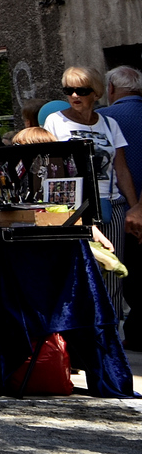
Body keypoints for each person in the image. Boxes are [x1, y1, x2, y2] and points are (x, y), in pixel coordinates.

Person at [44, 67, 142, 238]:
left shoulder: (110, 124)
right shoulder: (56, 120)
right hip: (74, 207)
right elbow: (51, 170)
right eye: (69, 90)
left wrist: (135, 208)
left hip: (111, 203)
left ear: (96, 93)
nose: (74, 95)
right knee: (84, 262)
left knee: (113, 262)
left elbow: (122, 170)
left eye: (81, 91)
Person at [99, 66, 142, 347]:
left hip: (122, 210)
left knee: (122, 274)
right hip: (132, 207)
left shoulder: (104, 120)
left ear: (111, 90)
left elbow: (119, 168)